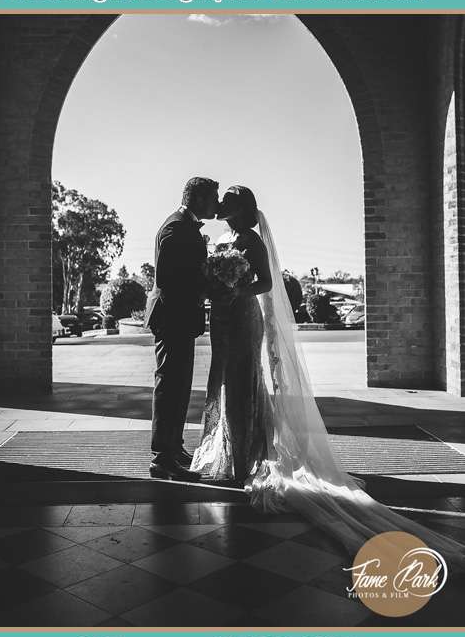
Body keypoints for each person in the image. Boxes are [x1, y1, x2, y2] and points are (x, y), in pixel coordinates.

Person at [191, 185, 465, 569]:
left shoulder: (251, 241)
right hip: (224, 319)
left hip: (243, 317)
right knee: (224, 383)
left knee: (243, 385)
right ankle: (231, 452)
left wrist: (236, 289)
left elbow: (267, 284)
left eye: (228, 202)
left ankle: (243, 462)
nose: (221, 205)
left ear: (241, 208)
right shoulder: (224, 238)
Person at [144, 176, 219, 481]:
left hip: (180, 320)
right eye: (213, 198)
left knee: (179, 387)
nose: (216, 204)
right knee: (169, 387)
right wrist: (208, 287)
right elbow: (167, 279)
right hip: (172, 319)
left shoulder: (184, 227)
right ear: (199, 199)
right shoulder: (175, 228)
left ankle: (174, 448)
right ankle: (162, 459)